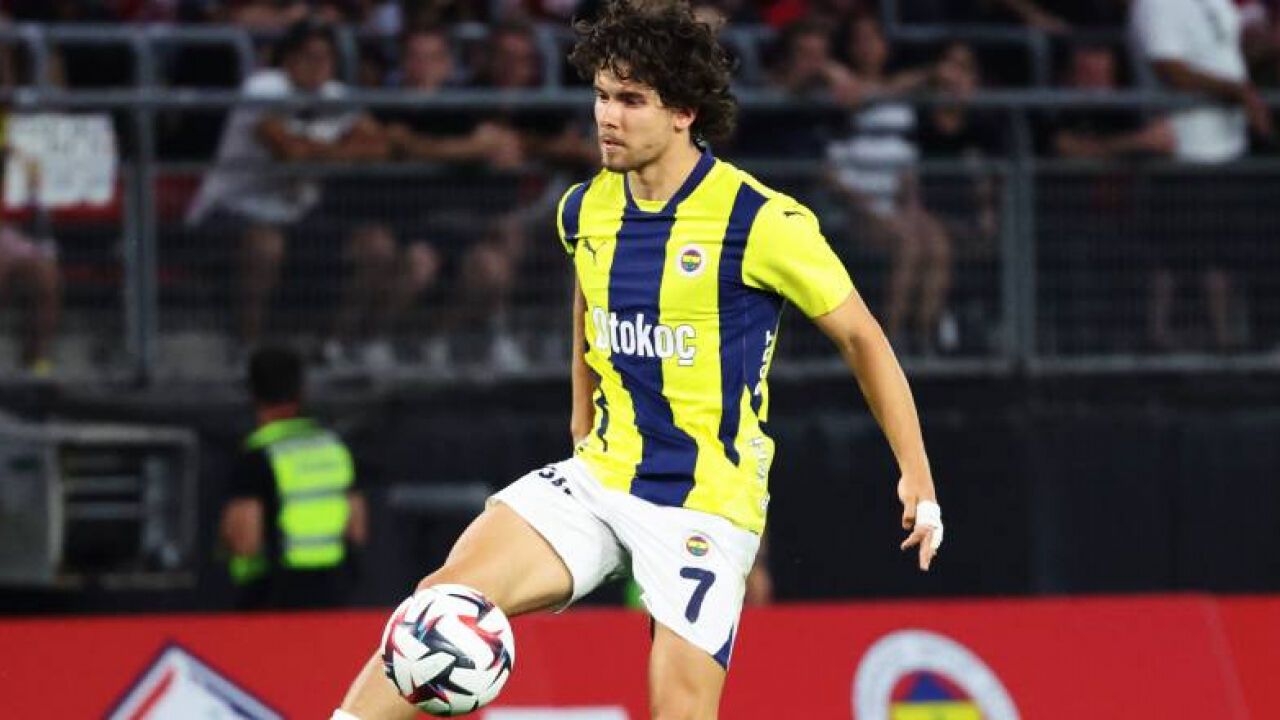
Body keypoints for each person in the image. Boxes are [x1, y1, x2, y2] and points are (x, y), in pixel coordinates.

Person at [332, 3, 943, 719]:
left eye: (630, 100)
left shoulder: (762, 222)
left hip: (704, 502)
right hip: (602, 474)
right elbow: (588, 299)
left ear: (683, 112)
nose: (607, 117)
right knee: (438, 606)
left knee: (677, 708)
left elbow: (863, 338)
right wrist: (581, 409)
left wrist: (916, 471)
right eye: (601, 95)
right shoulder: (585, 209)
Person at [221, 344, 368, 610]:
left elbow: (245, 541)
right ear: (302, 390)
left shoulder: (257, 456)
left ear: (252, 393)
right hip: (335, 595)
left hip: (272, 598)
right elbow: (356, 530)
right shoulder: (334, 448)